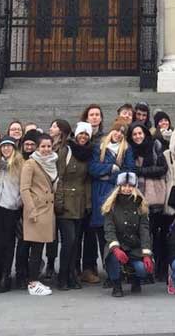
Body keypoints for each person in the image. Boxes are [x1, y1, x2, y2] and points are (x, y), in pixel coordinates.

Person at [88, 120, 134, 283]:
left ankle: (122, 271)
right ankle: (110, 273)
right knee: (104, 237)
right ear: (111, 131)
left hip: (117, 196)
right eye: (116, 130)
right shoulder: (99, 147)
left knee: (119, 235)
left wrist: (109, 175)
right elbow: (92, 169)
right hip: (100, 196)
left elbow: (128, 172)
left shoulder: (127, 149)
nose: (118, 134)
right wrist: (110, 168)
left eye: (122, 132)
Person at [103, 172, 154, 297]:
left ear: (134, 187)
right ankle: (116, 285)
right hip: (118, 245)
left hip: (134, 247)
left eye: (130, 186)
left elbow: (144, 231)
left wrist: (147, 254)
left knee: (142, 269)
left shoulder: (141, 205)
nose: (127, 189)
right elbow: (109, 229)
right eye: (124, 185)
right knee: (112, 259)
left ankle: (135, 279)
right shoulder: (111, 206)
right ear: (119, 187)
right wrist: (115, 248)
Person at [55, 122, 92, 290]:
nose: (83, 137)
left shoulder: (88, 153)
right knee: (68, 241)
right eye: (81, 134)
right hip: (66, 204)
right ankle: (63, 276)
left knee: (75, 242)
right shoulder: (66, 151)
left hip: (80, 203)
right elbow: (59, 178)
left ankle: (72, 275)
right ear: (76, 135)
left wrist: (88, 203)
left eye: (86, 135)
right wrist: (59, 201)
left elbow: (87, 181)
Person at [129, 121, 169, 276]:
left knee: (159, 236)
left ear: (145, 133)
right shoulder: (130, 151)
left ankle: (161, 270)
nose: (138, 136)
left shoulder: (155, 145)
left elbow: (162, 169)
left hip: (157, 197)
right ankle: (146, 270)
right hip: (140, 199)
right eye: (134, 134)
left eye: (140, 133)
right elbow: (131, 171)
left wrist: (141, 171)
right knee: (144, 235)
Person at [21, 130, 57, 296]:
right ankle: (33, 283)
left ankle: (35, 281)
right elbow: (24, 188)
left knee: (40, 247)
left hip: (48, 210)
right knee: (35, 249)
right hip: (37, 210)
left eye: (49, 146)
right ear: (37, 147)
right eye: (43, 146)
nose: (46, 149)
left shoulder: (52, 162)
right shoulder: (30, 163)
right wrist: (31, 210)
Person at [0, 136, 23, 291]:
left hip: (11, 208)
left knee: (8, 244)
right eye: (3, 147)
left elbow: (23, 186)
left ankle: (6, 276)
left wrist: (17, 202)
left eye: (9, 146)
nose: (6, 149)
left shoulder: (19, 165)